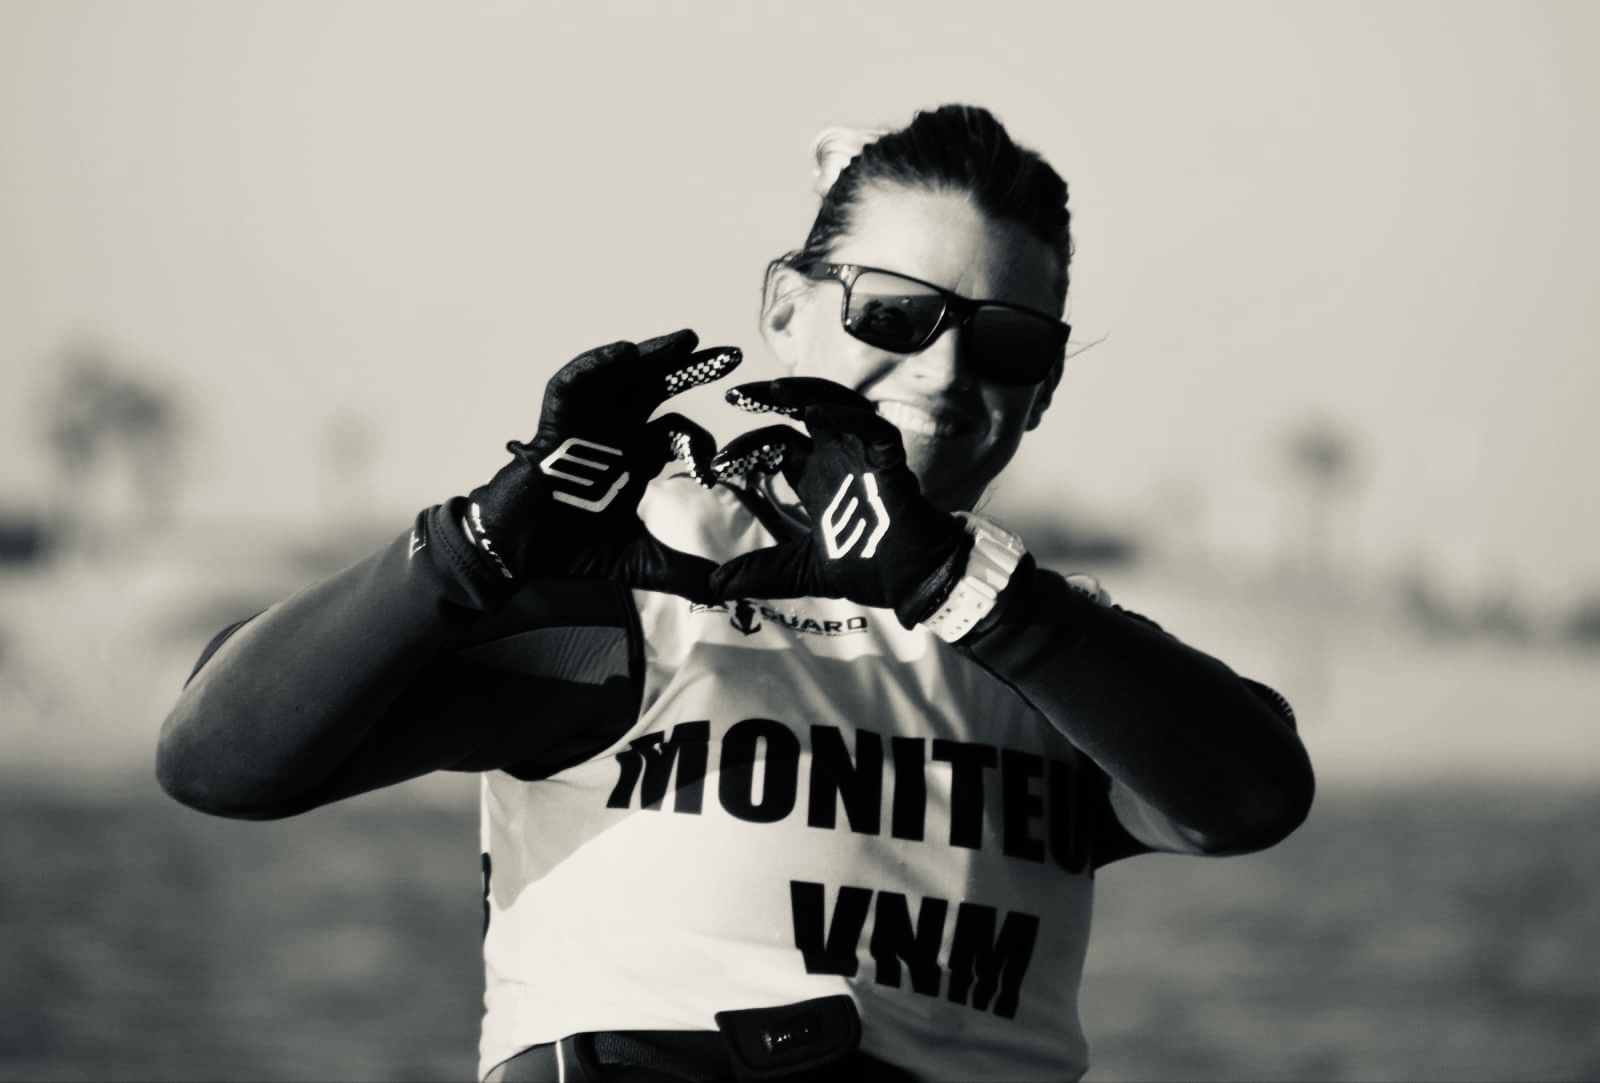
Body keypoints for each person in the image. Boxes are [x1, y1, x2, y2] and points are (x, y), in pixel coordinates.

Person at [157, 104, 1314, 1083]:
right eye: (893, 314)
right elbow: (219, 763)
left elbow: (1251, 800)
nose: (944, 370)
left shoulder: (1049, 646)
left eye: (1006, 344)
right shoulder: (637, 586)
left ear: (1043, 388)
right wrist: (472, 552)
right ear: (783, 311)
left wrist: (950, 585)